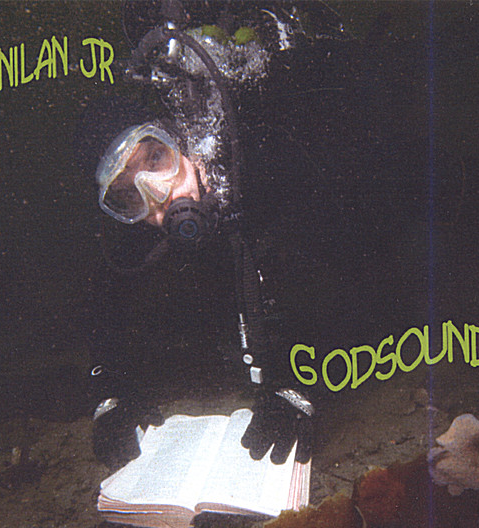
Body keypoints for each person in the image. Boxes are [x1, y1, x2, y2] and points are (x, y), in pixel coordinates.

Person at [83, 0, 357, 471]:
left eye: (156, 158)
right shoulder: (134, 243)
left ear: (179, 141)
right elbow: (103, 310)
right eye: (129, 196)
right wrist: (110, 394)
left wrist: (303, 381)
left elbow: (346, 271)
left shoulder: (264, 163)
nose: (160, 195)